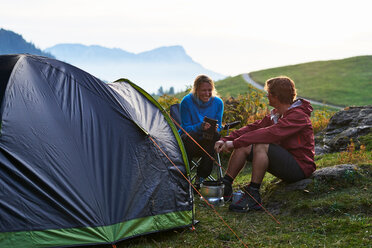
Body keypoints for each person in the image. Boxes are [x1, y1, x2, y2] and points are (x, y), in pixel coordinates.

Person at [215, 76, 316, 212]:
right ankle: (226, 186)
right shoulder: (278, 114)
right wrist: (226, 140)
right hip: (285, 161)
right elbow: (253, 128)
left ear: (276, 96)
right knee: (245, 145)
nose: (267, 96)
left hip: (299, 168)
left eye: (269, 93)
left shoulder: (298, 116)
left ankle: (253, 195)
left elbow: (271, 133)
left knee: (261, 144)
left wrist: (234, 143)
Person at [180, 75, 224, 187]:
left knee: (216, 135)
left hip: (207, 142)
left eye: (210, 90)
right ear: (196, 90)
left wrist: (215, 128)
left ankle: (201, 177)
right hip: (190, 142)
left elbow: (219, 126)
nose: (207, 93)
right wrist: (200, 126)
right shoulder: (187, 102)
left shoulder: (218, 103)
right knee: (191, 136)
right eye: (203, 90)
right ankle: (186, 176)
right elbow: (185, 128)